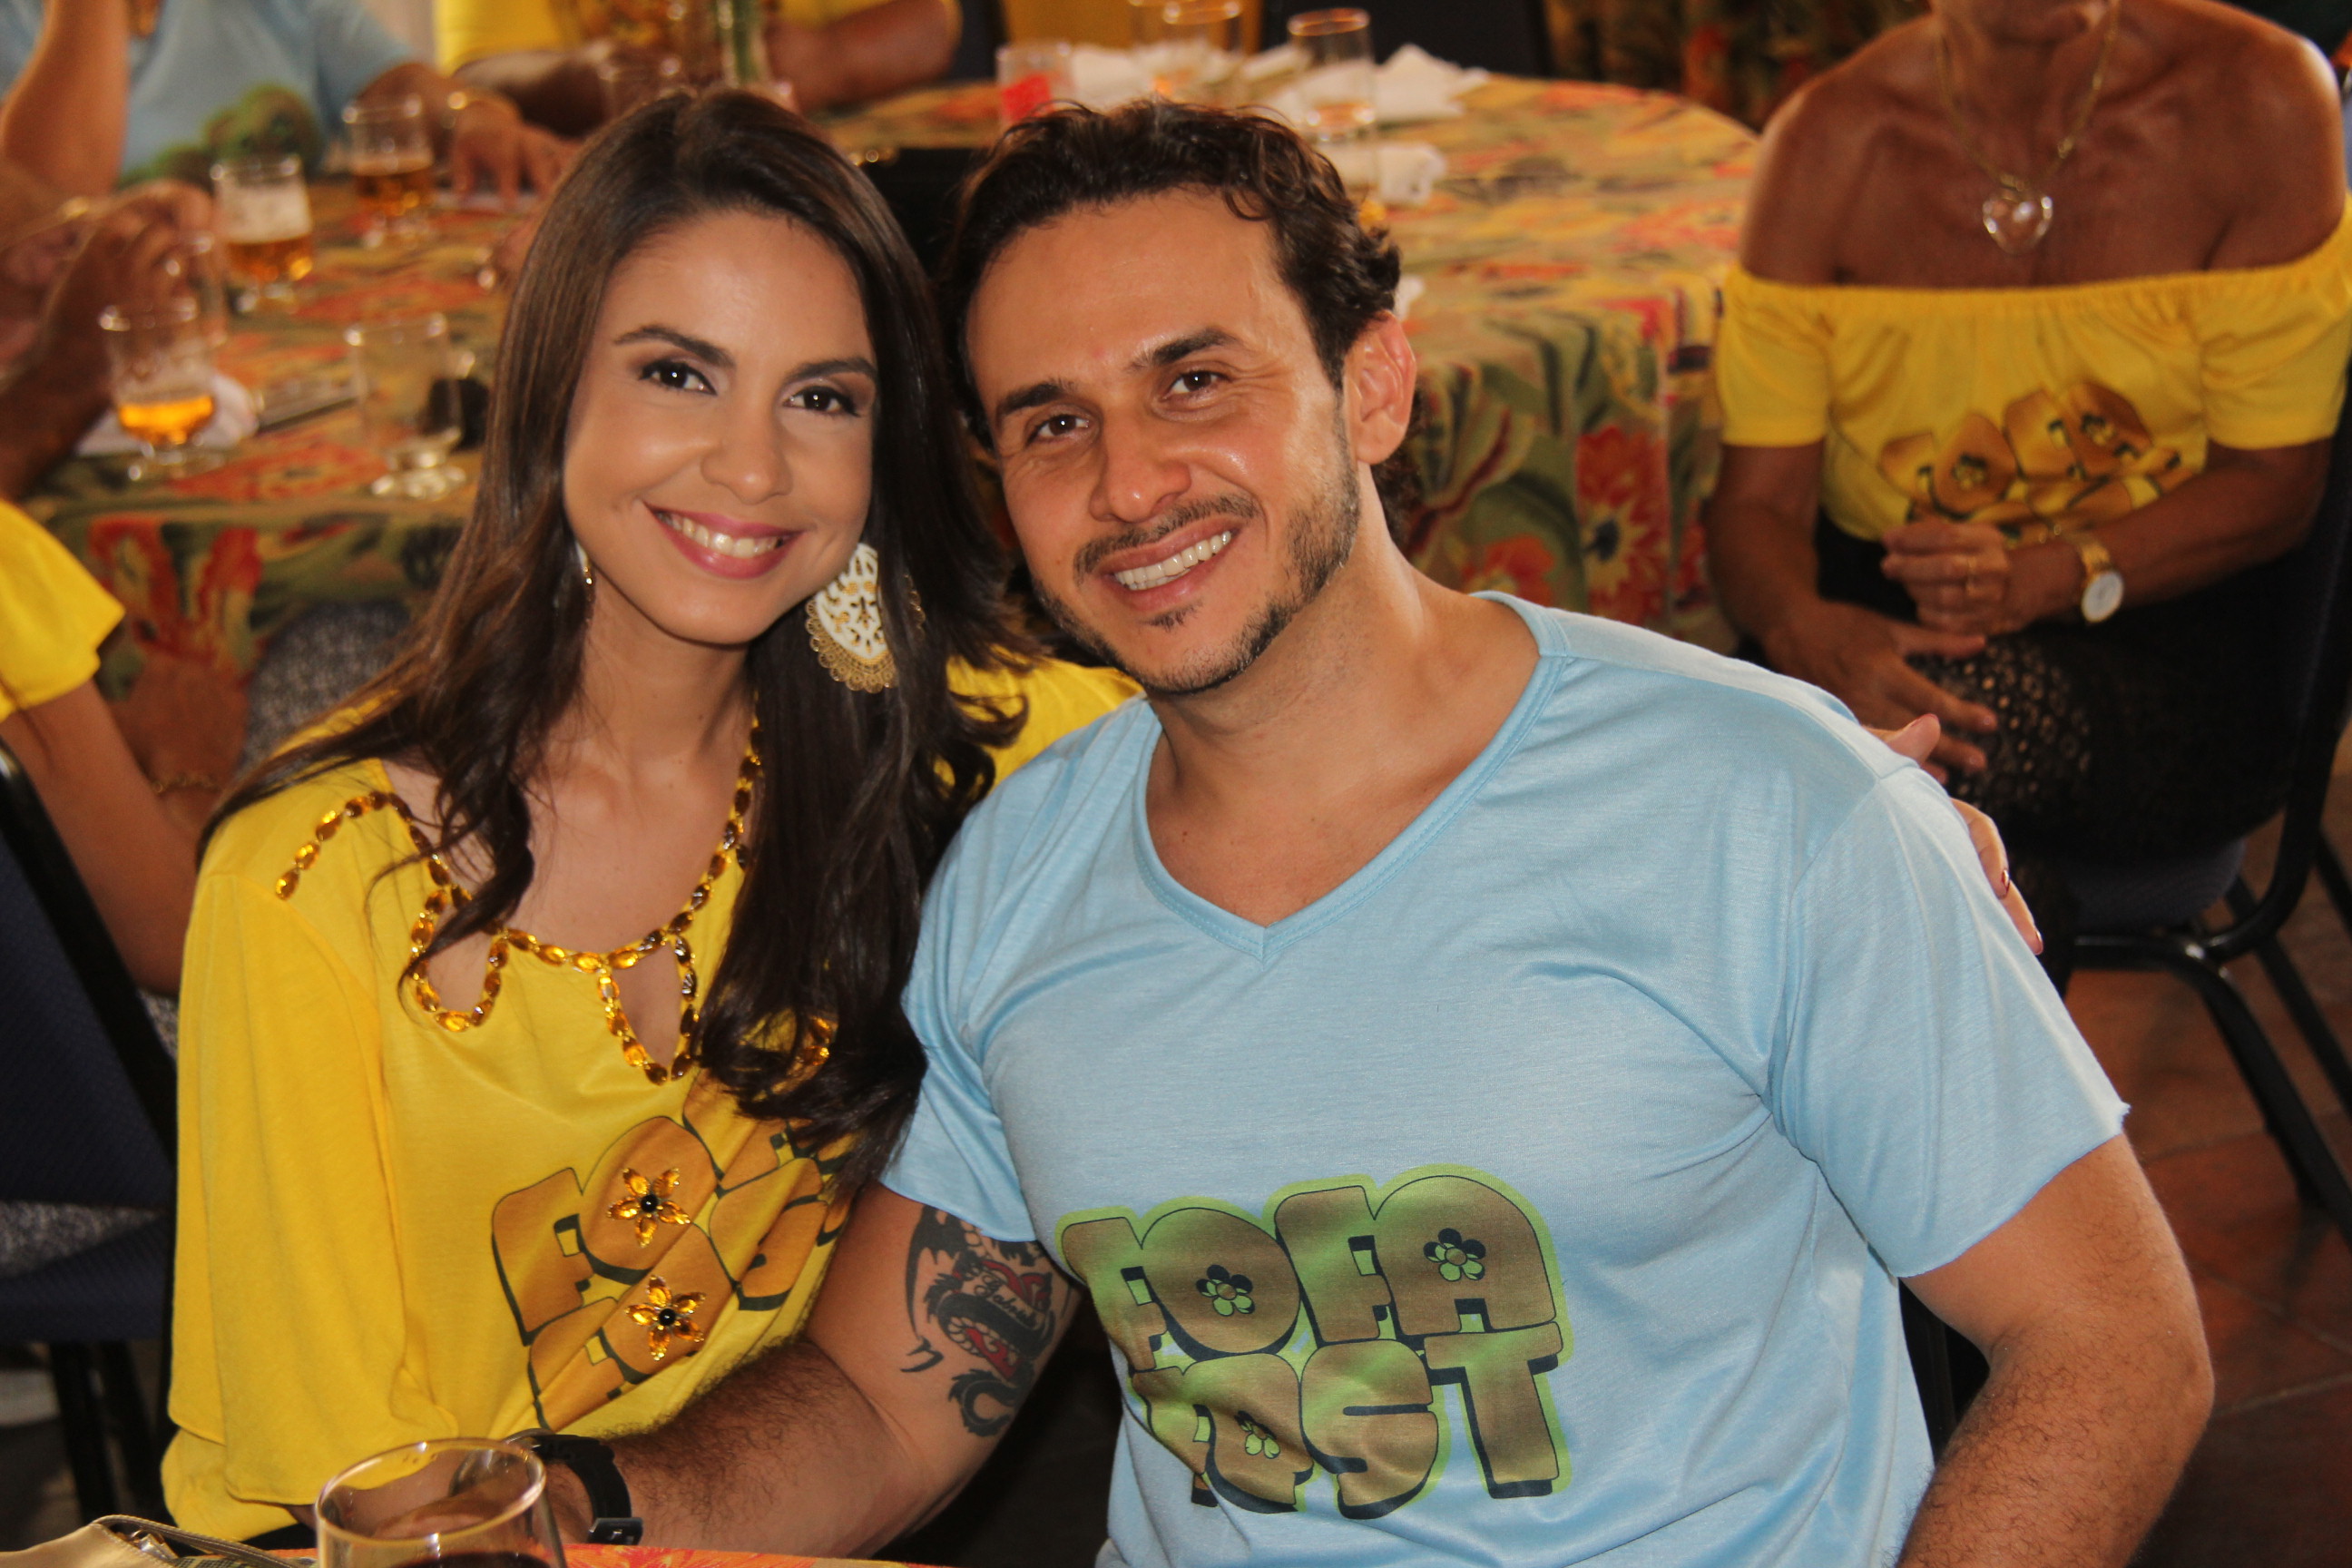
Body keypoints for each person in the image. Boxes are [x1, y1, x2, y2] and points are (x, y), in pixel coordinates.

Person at [542, 102, 2208, 1567]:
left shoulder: (1762, 808)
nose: (1129, 484)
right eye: (1053, 422)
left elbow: (2111, 1341)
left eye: (1195, 380)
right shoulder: (1021, 880)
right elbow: (882, 1400)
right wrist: (563, 1513)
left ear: (1376, 386)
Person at [163, 89, 1132, 1541]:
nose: (752, 467)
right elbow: (356, 1496)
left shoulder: (951, 751)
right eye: (679, 375)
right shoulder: (312, 890)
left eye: (822, 399)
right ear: (551, 393)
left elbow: (1269, 743)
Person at [1705, 0, 2349, 940]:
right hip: (1874, 629)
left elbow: (2277, 485)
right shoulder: (1828, 143)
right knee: (1868, 814)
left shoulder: (2255, 97)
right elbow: (1754, 509)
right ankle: (2020, 957)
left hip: (2164, 626)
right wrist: (1802, 624)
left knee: (1830, 787)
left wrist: (2048, 574)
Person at [1, 172, 247, 993]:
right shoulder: (7, 564)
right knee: (350, 647)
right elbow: (183, 947)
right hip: (81, 1051)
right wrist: (190, 766)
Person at [0, 0, 566, 202]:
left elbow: (391, 84)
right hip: (124, 350)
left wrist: (468, 118)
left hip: (293, 311)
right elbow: (38, 214)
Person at [439, 0, 959, 134]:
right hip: (611, 211)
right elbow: (471, 78)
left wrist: (828, 58)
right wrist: (584, 77)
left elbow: (932, 24)